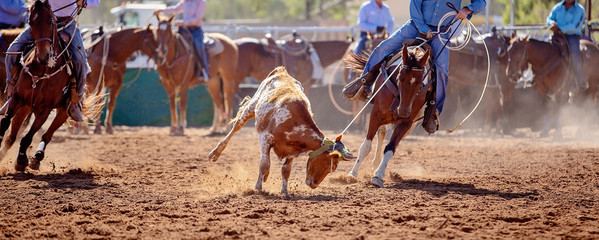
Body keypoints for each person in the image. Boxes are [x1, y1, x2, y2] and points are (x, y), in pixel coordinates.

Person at [347, 0, 486, 134]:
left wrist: (468, 9)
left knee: (442, 70)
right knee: (383, 48)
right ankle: (363, 82)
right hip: (416, 25)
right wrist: (424, 29)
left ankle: (433, 112)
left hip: (442, 31)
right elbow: (415, 5)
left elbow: (481, 2)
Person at [2, 0, 100, 121]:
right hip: (43, 21)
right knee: (13, 49)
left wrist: (84, 2)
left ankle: (76, 100)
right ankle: (11, 90)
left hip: (68, 24)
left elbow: (95, 2)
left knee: (80, 61)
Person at [154, 0, 209, 82]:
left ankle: (204, 71)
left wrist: (183, 23)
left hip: (195, 30)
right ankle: (164, 70)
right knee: (169, 42)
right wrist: (162, 10)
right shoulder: (185, 1)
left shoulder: (201, 2)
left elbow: (197, 19)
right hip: (183, 30)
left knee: (199, 47)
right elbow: (176, 9)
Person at [546, 0, 586, 91]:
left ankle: (578, 82)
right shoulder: (558, 7)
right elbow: (549, 18)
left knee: (574, 55)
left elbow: (575, 26)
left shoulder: (580, 10)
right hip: (557, 35)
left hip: (572, 37)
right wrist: (551, 23)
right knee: (544, 50)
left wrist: (560, 28)